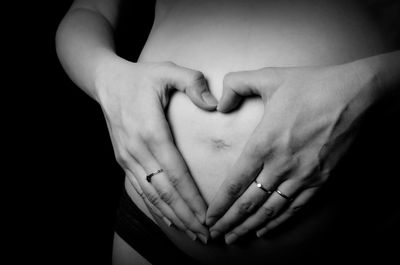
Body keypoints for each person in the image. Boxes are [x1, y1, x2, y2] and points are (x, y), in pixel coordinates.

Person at [56, 0, 400, 264]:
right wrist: (107, 76)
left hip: (351, 218)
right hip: (153, 227)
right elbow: (89, 10)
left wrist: (370, 84)